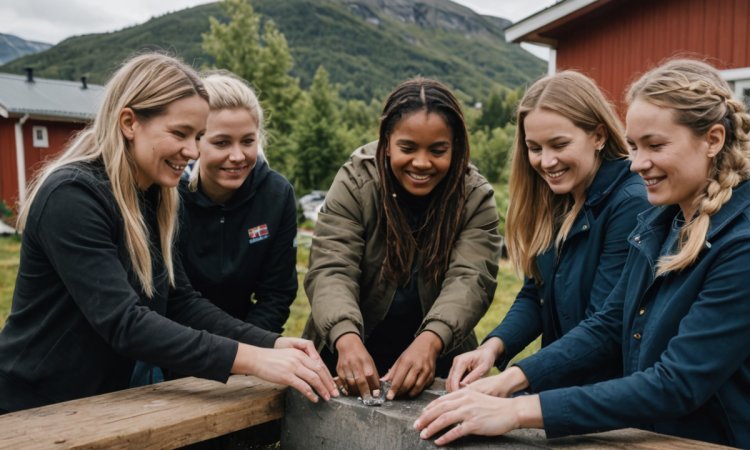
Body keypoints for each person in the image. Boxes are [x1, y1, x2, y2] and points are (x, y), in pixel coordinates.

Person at [415, 59, 750, 449]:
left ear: (713, 140)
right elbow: (609, 324)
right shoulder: (660, 224)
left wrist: (518, 410)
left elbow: (675, 383)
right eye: (634, 146)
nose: (637, 164)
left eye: (655, 145)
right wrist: (510, 378)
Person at [0, 53, 337, 414]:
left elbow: (179, 300)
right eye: (180, 134)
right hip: (31, 405)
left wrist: (271, 344)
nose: (192, 151)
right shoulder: (72, 196)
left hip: (100, 402)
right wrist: (253, 359)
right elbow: (125, 323)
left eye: (199, 136)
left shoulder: (153, 195)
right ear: (129, 122)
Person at [446, 71, 648, 392]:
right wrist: (493, 347)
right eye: (535, 148)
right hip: (562, 388)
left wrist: (514, 379)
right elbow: (535, 295)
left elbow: (604, 326)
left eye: (559, 144)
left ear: (598, 136)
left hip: (605, 397)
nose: (547, 161)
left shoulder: (630, 203)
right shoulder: (557, 198)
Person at [303, 77, 502, 401]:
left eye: (438, 150)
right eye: (407, 149)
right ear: (387, 143)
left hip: (440, 356)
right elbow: (331, 267)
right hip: (343, 354)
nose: (421, 163)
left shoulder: (475, 196)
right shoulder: (355, 182)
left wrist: (431, 340)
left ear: (455, 147)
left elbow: (471, 278)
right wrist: (345, 337)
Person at [178, 71, 296, 334]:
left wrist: (248, 349)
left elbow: (276, 293)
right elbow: (172, 295)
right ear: (196, 142)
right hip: (176, 338)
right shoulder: (169, 194)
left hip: (249, 338)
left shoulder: (277, 195)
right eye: (221, 143)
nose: (237, 156)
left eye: (247, 141)